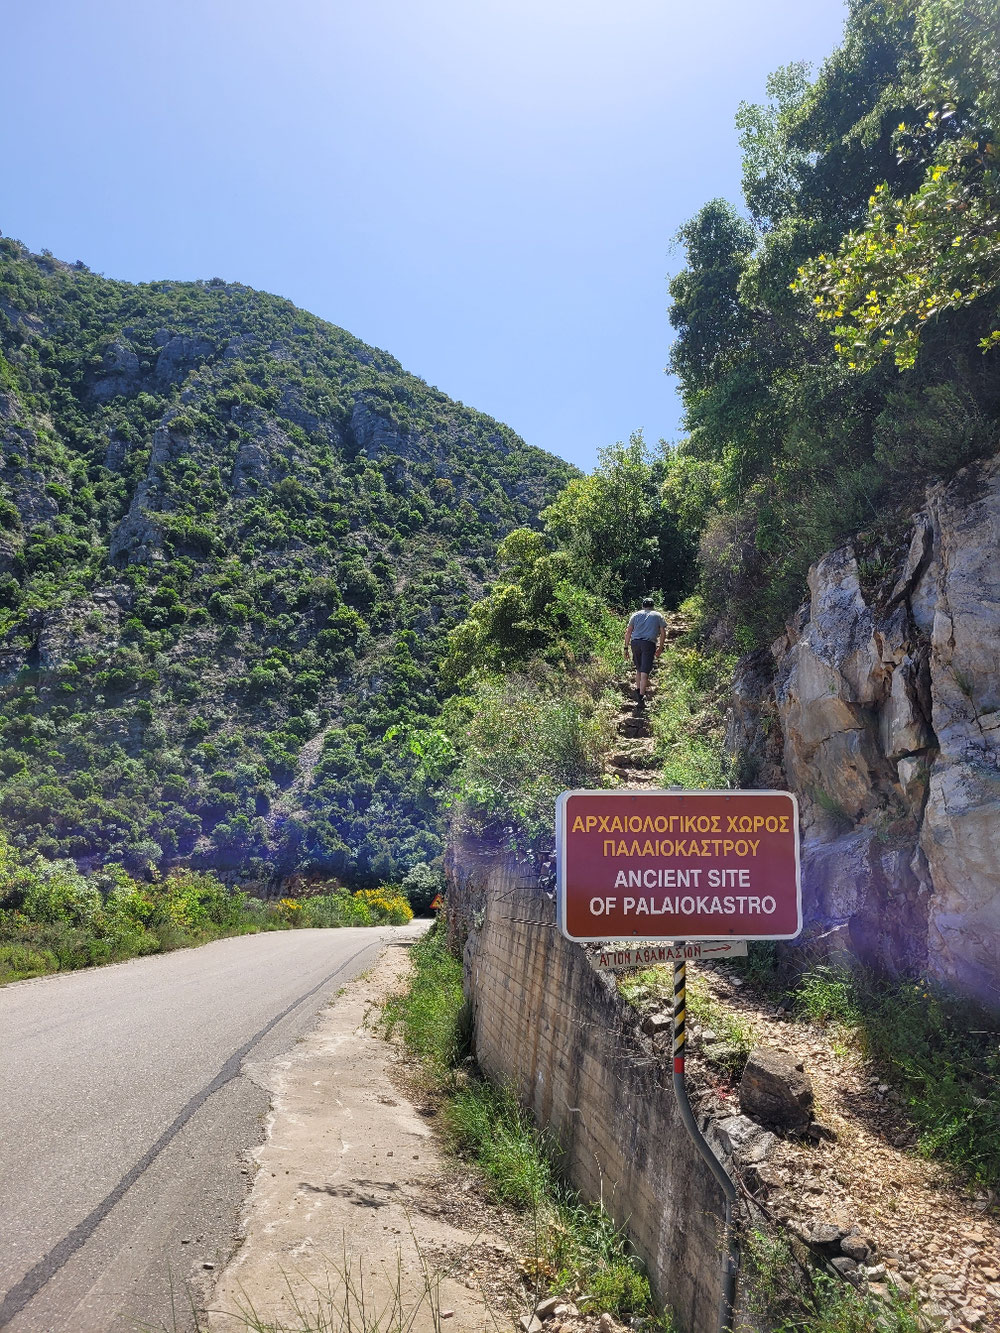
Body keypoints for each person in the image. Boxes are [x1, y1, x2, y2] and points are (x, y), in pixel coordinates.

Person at [623, 596, 666, 710]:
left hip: (635, 643)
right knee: (645, 671)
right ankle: (641, 698)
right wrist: (660, 647)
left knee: (638, 669)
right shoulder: (658, 615)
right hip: (648, 644)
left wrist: (626, 648)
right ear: (653, 606)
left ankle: (638, 691)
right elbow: (663, 633)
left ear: (643, 606)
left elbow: (628, 632)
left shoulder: (635, 615)